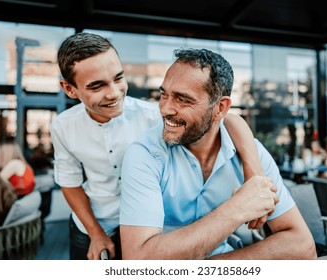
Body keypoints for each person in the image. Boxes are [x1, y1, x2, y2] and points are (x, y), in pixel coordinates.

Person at [50, 32, 264, 260]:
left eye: (118, 78)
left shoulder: (154, 114)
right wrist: (95, 232)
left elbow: (225, 118)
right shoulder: (63, 127)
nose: (114, 92)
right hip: (91, 225)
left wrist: (255, 175)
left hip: (147, 229)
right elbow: (70, 183)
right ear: (70, 89)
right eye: (97, 86)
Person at [120, 48, 316, 259]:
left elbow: (303, 246)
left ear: (220, 108)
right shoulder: (144, 155)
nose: (165, 108)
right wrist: (237, 208)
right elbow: (138, 261)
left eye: (182, 99)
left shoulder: (251, 152)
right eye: (164, 94)